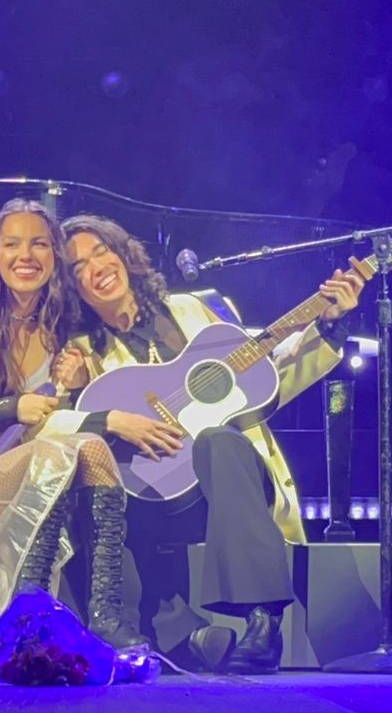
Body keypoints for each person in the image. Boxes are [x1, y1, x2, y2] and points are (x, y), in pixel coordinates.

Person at [56, 214, 365, 674]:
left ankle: (264, 625)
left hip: (229, 480)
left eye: (102, 251)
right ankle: (175, 636)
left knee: (221, 441)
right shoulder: (83, 350)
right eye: (79, 265)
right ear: (71, 286)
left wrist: (327, 326)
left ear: (124, 255)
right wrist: (85, 400)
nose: (97, 266)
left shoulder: (198, 309)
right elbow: (59, 430)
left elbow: (264, 377)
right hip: (154, 498)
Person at [0, 197, 146, 649]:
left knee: (91, 449)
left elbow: (54, 420)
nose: (25, 256)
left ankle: (107, 618)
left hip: (35, 470)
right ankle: (28, 618)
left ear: (54, 257)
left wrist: (73, 386)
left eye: (38, 244)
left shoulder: (61, 331)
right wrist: (8, 409)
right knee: (51, 454)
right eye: (12, 244)